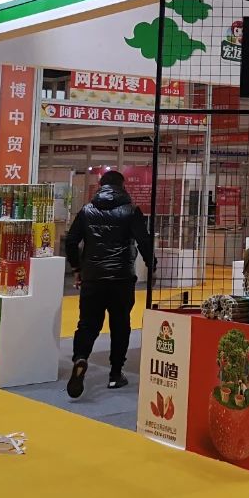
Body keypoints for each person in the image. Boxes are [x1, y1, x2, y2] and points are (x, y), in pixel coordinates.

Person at [65, 170, 155, 397]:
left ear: (100, 186)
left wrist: (77, 268)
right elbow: (144, 241)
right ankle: (115, 374)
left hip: (93, 278)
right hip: (121, 279)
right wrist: (151, 263)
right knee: (120, 325)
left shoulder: (87, 210)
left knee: (87, 324)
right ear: (123, 186)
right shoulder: (131, 210)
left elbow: (71, 241)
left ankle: (80, 358)